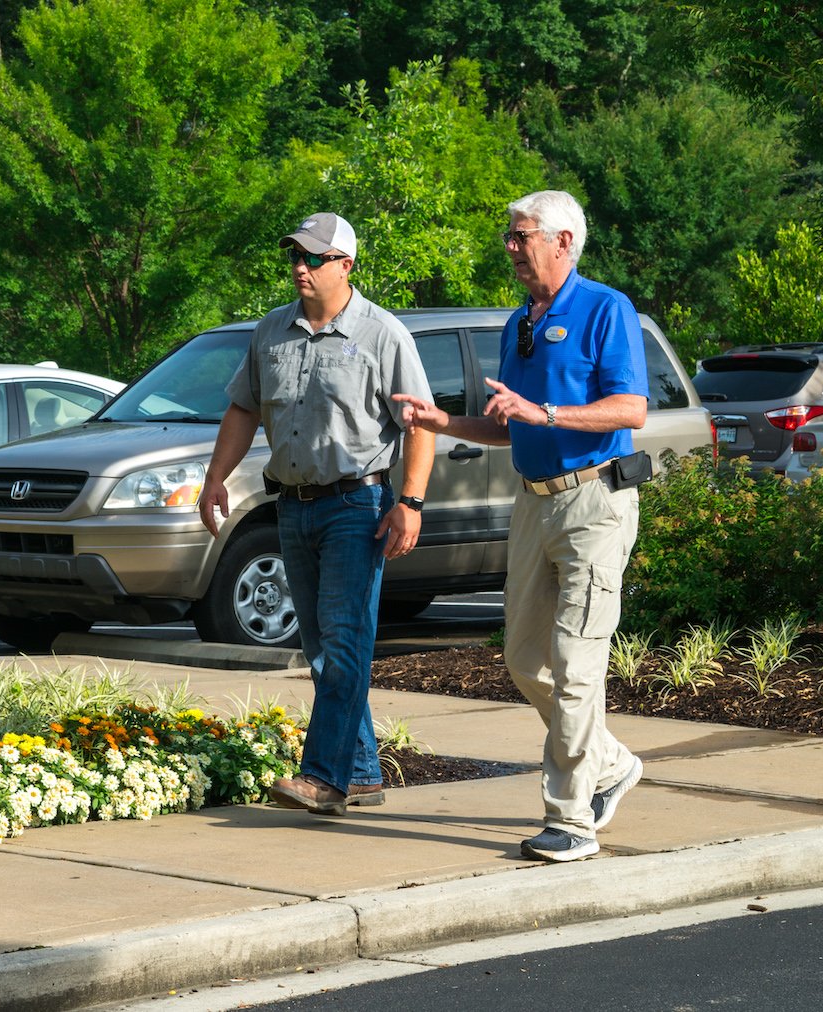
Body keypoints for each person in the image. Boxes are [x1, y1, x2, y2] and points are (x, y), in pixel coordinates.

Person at [394, 190, 648, 862]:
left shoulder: (605, 309)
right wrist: (439, 421)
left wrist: (550, 415)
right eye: (509, 235)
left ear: (564, 241)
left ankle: (570, 818)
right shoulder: (519, 323)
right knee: (523, 657)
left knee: (573, 662)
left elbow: (631, 410)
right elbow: (507, 424)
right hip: (533, 504)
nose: (510, 246)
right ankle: (611, 761)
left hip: (595, 502)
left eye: (522, 235)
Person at [200, 212, 436, 817]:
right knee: (325, 651)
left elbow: (420, 428)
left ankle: (324, 777)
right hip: (293, 505)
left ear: (346, 264)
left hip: (359, 506)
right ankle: (361, 772)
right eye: (295, 258)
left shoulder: (384, 335)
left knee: (346, 640)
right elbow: (242, 411)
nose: (301, 268)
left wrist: (409, 503)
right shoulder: (272, 332)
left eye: (314, 257)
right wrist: (213, 480)